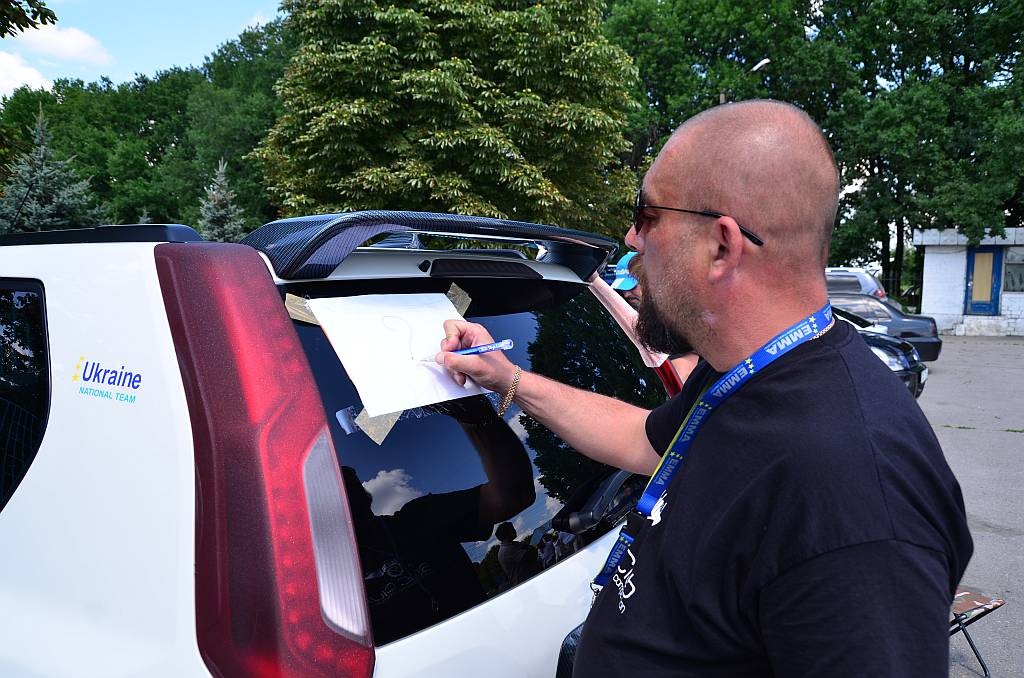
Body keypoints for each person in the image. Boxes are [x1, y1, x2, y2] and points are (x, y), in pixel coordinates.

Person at [435, 100, 972, 676]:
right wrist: (507, 377)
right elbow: (641, 439)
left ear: (721, 246)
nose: (631, 238)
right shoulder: (741, 370)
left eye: (646, 215)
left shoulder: (857, 499)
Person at [342, 395, 535, 645]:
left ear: (363, 493)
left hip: (490, 648)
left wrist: (476, 415)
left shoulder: (420, 518)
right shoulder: (311, 580)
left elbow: (512, 496)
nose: (345, 481)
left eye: (346, 480)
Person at [612, 250, 701, 384]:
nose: (626, 294)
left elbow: (688, 365)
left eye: (632, 286)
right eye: (622, 289)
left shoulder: (678, 316)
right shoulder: (627, 314)